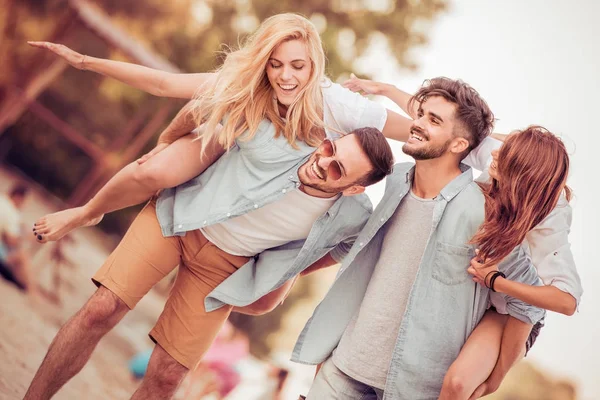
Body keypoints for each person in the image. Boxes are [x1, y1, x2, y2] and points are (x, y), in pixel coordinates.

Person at [24, 127, 396, 400]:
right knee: (102, 308)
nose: (322, 162)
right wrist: (168, 141)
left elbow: (347, 247)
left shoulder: (353, 216)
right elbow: (213, 106)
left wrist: (293, 270)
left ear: (353, 188)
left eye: (337, 169)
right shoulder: (284, 138)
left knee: (169, 375)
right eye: (330, 148)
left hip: (223, 271)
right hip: (180, 220)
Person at [28, 13, 416, 243]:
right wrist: (84, 61)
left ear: (314, 65)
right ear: (264, 62)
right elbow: (163, 84)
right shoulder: (246, 83)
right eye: (275, 64)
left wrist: (387, 89)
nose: (285, 77)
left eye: (297, 66)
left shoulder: (340, 104)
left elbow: (416, 131)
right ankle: (84, 213)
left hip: (271, 176)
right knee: (155, 169)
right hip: (231, 141)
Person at [291, 77, 545, 400]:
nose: (418, 124)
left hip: (412, 389)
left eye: (433, 120)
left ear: (458, 145)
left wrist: (495, 377)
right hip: (342, 372)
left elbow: (531, 302)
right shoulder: (395, 183)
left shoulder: (485, 214)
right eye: (421, 113)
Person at [343, 75, 583, 399]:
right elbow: (441, 123)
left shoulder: (551, 215)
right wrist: (384, 90)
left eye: (505, 157)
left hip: (515, 309)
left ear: (523, 175)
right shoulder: (498, 156)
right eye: (500, 149)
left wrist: (498, 282)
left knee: (461, 385)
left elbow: (565, 302)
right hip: (479, 289)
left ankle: (494, 379)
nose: (494, 156)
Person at [0, 184, 34, 292]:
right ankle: (28, 288)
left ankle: (22, 284)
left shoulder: (3, 200)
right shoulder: (11, 212)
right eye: (25, 202)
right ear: (19, 197)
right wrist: (27, 237)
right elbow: (11, 241)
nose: (24, 205)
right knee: (23, 256)